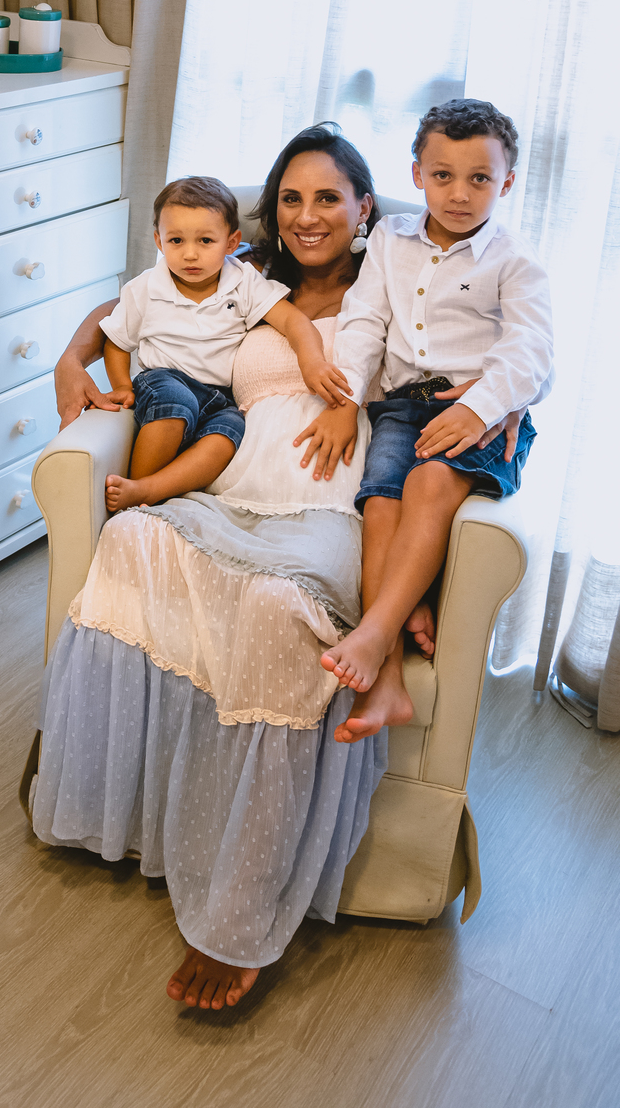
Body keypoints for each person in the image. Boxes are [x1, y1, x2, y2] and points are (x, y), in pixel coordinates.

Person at [33, 125, 388, 1012]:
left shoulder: (395, 284)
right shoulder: (244, 273)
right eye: (291, 198)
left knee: (275, 610)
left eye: (329, 198)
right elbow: (130, 303)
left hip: (327, 504)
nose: (308, 216)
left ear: (364, 208)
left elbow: (475, 362)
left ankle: (237, 913)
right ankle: (117, 813)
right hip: (230, 484)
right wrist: (71, 358)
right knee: (132, 542)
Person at [303, 100, 553, 744]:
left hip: (476, 411)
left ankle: (374, 634)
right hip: (399, 404)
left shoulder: (514, 259)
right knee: (380, 503)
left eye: (480, 178)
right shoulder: (389, 240)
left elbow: (532, 352)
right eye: (443, 175)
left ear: (507, 182)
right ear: (417, 174)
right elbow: (364, 322)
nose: (459, 193)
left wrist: (480, 405)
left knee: (427, 483)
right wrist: (346, 400)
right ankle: (387, 681)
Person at [99, 174, 353, 515]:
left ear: (231, 242)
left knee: (230, 431)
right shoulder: (144, 288)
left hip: (220, 396)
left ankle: (153, 490)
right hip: (164, 379)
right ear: (159, 241)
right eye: (176, 240)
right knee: (176, 404)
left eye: (206, 240)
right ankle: (135, 496)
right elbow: (116, 341)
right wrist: (121, 386)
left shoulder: (242, 281)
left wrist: (312, 361)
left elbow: (293, 321)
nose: (190, 254)